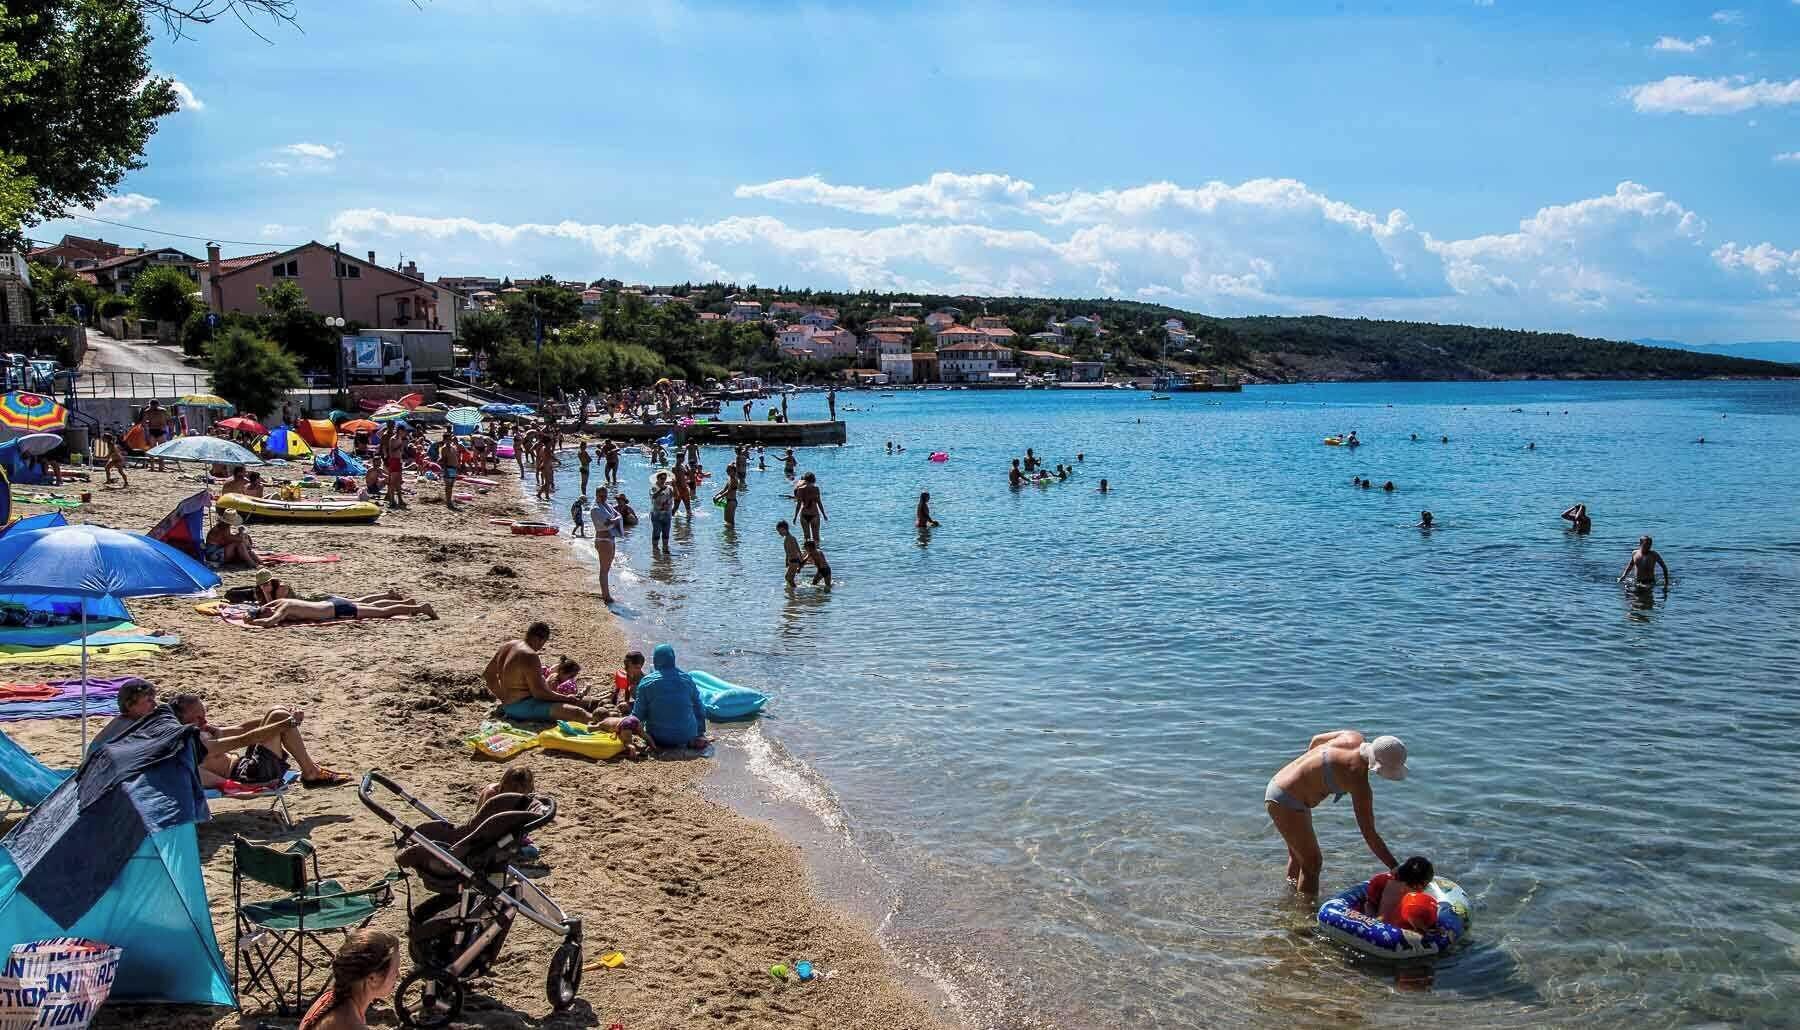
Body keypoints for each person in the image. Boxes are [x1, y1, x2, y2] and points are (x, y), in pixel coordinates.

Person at [1263, 731, 1407, 894]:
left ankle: (1290, 895)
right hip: (1286, 802)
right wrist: (1395, 867)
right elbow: (1369, 833)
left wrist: (1309, 777)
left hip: (1279, 783)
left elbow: (1315, 739)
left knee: (1299, 855)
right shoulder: (1357, 780)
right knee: (1312, 864)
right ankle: (1304, 913)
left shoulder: (1353, 736)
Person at [170, 691, 350, 788]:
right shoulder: (195, 744)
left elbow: (241, 728)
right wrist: (287, 722)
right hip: (250, 776)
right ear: (182, 723)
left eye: (204, 714)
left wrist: (285, 716)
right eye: (198, 719)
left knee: (277, 711)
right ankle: (311, 772)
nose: (204, 721)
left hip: (247, 764)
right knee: (280, 718)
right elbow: (243, 739)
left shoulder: (202, 729)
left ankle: (311, 770)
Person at [483, 623, 593, 722]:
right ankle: (606, 727)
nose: (541, 647)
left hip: (512, 704)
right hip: (523, 707)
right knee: (577, 712)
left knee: (587, 702)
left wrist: (503, 697)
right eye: (543, 643)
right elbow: (539, 693)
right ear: (539, 639)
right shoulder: (530, 655)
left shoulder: (508, 646)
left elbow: (488, 674)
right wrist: (565, 698)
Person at [297, 929, 401, 1030]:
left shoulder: (331, 999)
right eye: (395, 970)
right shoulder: (350, 1023)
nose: (398, 975)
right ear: (372, 978)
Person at [630, 644, 709, 750]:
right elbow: (700, 710)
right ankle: (695, 738)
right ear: (673, 659)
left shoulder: (646, 682)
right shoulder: (687, 680)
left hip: (658, 737)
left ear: (655, 660)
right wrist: (700, 733)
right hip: (686, 736)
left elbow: (638, 716)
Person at [1363, 855, 1440, 932]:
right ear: (1421, 885)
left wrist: (1372, 922)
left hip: (1380, 926)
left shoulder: (1390, 882)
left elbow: (1369, 904)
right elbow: (1370, 904)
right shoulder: (1415, 898)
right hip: (1393, 932)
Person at [249, 596, 437, 626]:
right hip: (331, 603)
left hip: (336, 611)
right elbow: (270, 609)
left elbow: (270, 622)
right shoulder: (280, 602)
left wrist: (252, 621)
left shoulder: (283, 608)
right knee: (376, 608)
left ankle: (420, 608)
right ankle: (408, 603)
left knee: (383, 613)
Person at [89, 678, 159, 750]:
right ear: (129, 705)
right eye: (149, 700)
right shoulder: (130, 729)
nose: (155, 704)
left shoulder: (122, 720)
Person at [593, 487, 622, 603]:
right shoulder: (595, 509)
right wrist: (615, 520)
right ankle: (606, 596)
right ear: (596, 495)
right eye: (601, 496)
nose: (604, 498)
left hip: (611, 538)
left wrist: (614, 520)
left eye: (605, 495)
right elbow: (607, 524)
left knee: (607, 568)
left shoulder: (608, 506)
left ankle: (606, 593)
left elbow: (618, 516)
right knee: (604, 569)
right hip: (603, 539)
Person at [649, 471, 675, 552]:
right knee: (656, 533)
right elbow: (653, 497)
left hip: (667, 514)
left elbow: (676, 495)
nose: (663, 480)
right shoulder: (653, 488)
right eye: (662, 478)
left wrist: (674, 486)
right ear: (657, 479)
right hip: (656, 514)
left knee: (666, 534)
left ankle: (665, 549)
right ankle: (655, 550)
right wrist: (660, 490)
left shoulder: (669, 488)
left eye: (665, 478)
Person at [777, 520, 803, 587]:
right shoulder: (788, 538)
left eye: (780, 531)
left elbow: (797, 550)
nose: (779, 533)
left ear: (785, 529)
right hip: (792, 561)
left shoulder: (790, 538)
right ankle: (793, 590)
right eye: (778, 532)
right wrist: (786, 560)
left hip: (794, 561)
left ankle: (794, 592)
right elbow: (788, 552)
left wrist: (800, 562)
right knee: (788, 578)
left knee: (789, 578)